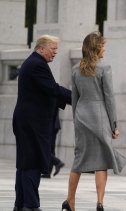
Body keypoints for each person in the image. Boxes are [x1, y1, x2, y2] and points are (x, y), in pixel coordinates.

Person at [62, 31, 126, 211]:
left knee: (78, 159)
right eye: (102, 46)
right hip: (100, 117)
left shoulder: (75, 69)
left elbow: (74, 99)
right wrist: (114, 125)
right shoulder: (104, 69)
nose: (104, 49)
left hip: (82, 116)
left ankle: (70, 201)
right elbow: (109, 98)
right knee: (102, 161)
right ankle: (99, 202)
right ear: (96, 48)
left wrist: (76, 121)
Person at [12, 35, 72, 211]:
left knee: (25, 163)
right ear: (41, 48)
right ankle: (30, 205)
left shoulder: (33, 62)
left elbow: (46, 90)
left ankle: (21, 204)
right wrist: (76, 97)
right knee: (33, 161)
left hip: (26, 120)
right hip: (32, 122)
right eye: (53, 49)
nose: (55, 52)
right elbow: (52, 88)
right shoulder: (37, 64)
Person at [41, 107, 65, 178]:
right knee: (50, 148)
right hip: (53, 124)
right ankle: (48, 171)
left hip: (50, 124)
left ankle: (56, 162)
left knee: (44, 148)